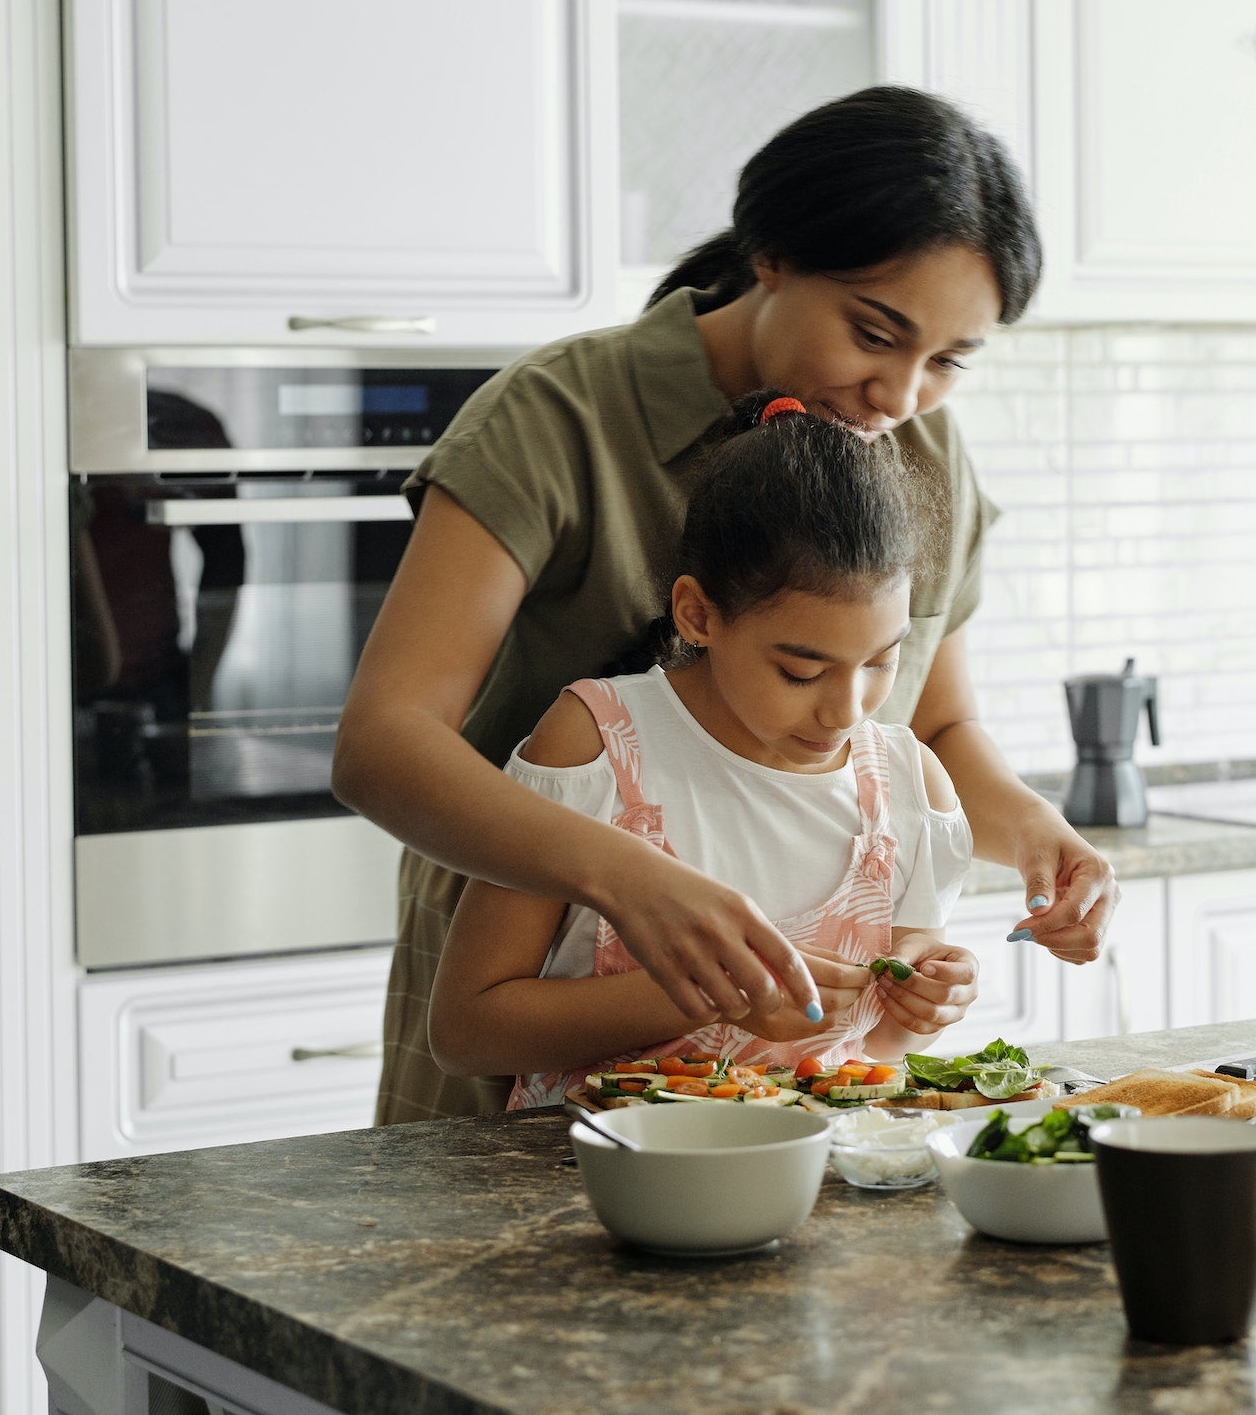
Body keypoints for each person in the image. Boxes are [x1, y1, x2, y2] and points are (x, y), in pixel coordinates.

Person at [333, 84, 1121, 1124]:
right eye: (875, 332)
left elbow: (932, 724)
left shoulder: (920, 451)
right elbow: (383, 743)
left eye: (947, 363)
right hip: (529, 1005)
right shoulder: (558, 417)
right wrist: (630, 880)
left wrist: (1034, 835)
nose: (901, 394)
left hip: (787, 1083)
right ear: (774, 256)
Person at [427, 394, 979, 1098]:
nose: (847, 709)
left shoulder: (908, 787)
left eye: (880, 661)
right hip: (593, 1185)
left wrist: (924, 1006)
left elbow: (879, 1050)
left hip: (812, 1185)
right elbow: (466, 1032)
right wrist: (719, 994)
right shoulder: (597, 746)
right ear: (698, 614)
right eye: (801, 671)